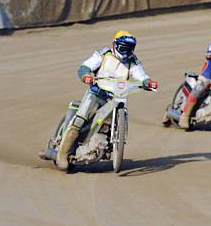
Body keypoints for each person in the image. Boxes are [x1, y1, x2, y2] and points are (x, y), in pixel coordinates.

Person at [40, 30, 158, 170]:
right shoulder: (104, 54)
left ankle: (109, 141)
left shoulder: (133, 61)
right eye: (124, 48)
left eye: (130, 49)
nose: (127, 52)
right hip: (96, 93)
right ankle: (62, 155)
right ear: (115, 45)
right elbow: (85, 66)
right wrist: (86, 75)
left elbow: (141, 75)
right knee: (80, 120)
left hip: (115, 97)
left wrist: (148, 82)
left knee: (118, 114)